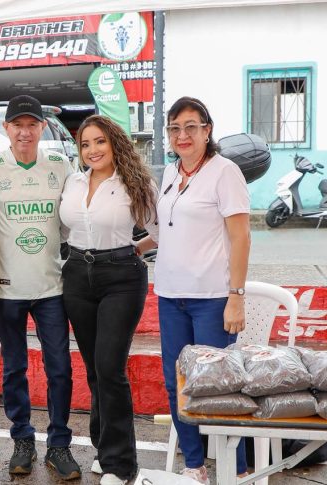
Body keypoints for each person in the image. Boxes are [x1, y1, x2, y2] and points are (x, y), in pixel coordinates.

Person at [0, 95, 81, 480]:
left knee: (59, 367)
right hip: (7, 288)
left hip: (52, 287)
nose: (25, 132)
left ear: (42, 127)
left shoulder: (60, 165)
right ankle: (22, 439)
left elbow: (79, 210)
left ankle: (59, 443)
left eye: (32, 124)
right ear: (7, 128)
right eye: (18, 125)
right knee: (15, 368)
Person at [138, 96, 251, 484]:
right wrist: (135, 248)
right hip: (171, 296)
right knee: (178, 383)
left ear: (207, 130)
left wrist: (236, 296)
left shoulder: (225, 172)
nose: (182, 135)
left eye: (190, 127)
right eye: (174, 128)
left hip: (212, 299)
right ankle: (195, 465)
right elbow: (166, 229)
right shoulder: (171, 172)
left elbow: (241, 237)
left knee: (218, 386)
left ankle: (238, 469)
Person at [59, 115, 158, 485]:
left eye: (100, 141)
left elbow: (162, 228)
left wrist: (135, 250)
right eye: (85, 144)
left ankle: (120, 464)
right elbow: (63, 228)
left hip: (121, 277)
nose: (92, 150)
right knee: (94, 369)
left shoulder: (136, 183)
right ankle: (104, 447)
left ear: (115, 143)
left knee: (109, 367)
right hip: (76, 275)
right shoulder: (73, 181)